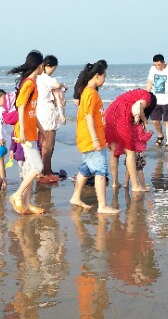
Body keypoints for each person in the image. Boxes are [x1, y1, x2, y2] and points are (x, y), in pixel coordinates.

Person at [69, 61, 119, 215]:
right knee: (100, 171)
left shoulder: (87, 91)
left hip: (90, 138)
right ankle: (102, 206)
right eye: (104, 76)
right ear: (97, 76)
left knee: (85, 169)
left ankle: (76, 197)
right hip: (92, 139)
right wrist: (96, 140)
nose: (105, 79)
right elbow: (88, 116)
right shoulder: (90, 93)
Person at [8, 50, 46, 215]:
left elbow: (31, 111)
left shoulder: (33, 83)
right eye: (42, 65)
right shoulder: (29, 83)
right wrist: (22, 130)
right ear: (39, 66)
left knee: (32, 168)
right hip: (25, 133)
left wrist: (42, 130)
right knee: (38, 167)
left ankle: (28, 203)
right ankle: (17, 194)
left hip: (31, 131)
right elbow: (21, 106)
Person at [104, 89, 157, 192]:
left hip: (110, 113)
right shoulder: (147, 96)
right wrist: (145, 122)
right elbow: (140, 108)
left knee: (114, 151)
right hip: (122, 115)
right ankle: (136, 186)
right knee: (130, 151)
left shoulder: (133, 94)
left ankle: (115, 183)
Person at [36, 54, 66, 182]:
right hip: (47, 113)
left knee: (42, 143)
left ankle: (42, 170)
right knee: (48, 144)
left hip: (39, 113)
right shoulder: (44, 78)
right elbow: (57, 85)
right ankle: (46, 172)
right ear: (48, 66)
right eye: (53, 68)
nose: (53, 70)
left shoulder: (37, 78)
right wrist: (64, 85)